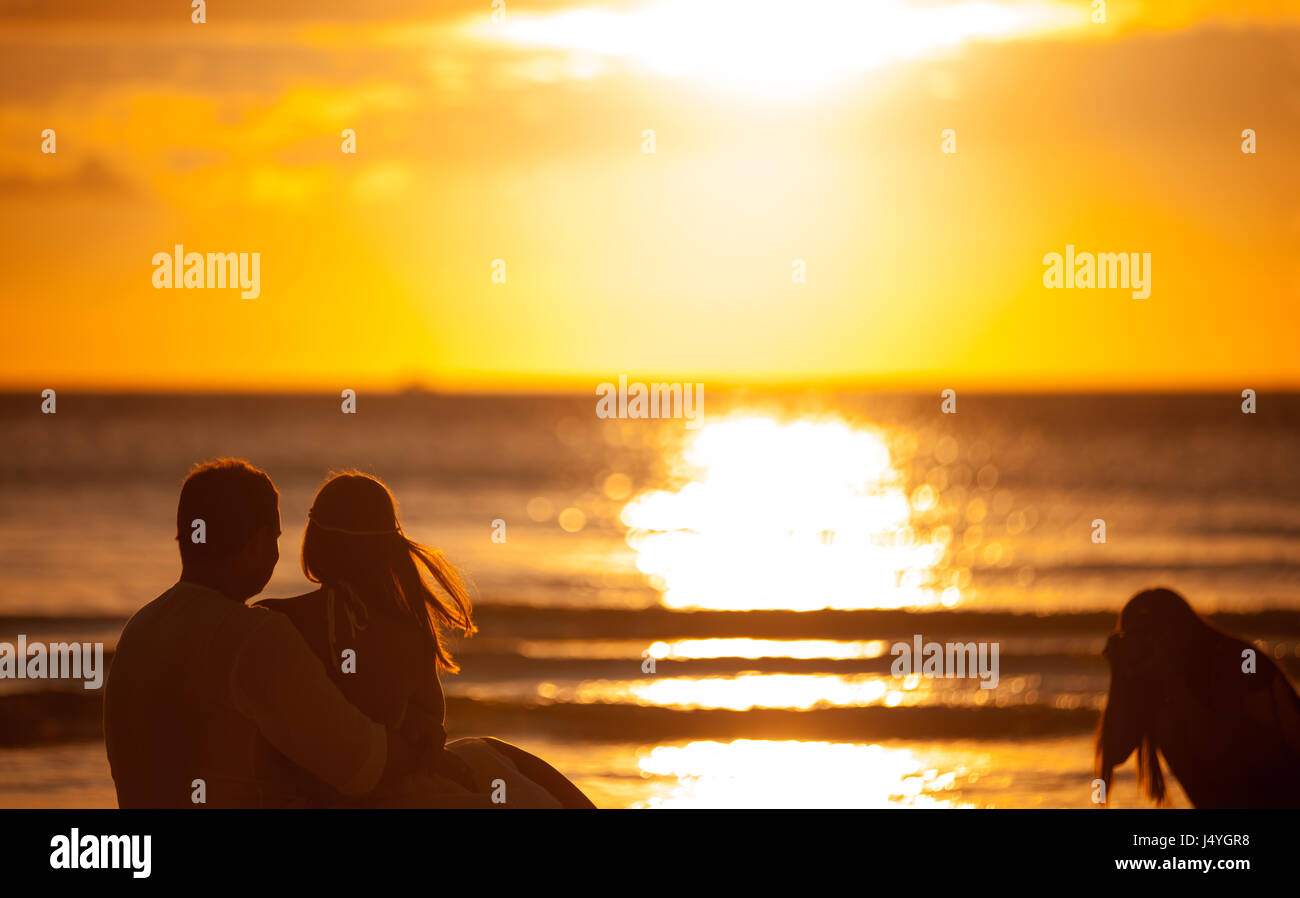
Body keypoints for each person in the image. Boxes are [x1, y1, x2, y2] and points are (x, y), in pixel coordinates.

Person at [255, 471, 597, 809]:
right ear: (390, 548)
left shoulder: (277, 618)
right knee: (505, 763)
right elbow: (432, 727)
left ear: (314, 543)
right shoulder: (405, 626)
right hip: (392, 790)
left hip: (332, 789)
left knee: (495, 755)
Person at [104, 458, 429, 808]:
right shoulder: (254, 637)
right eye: (275, 538)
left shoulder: (140, 629)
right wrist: (417, 745)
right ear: (259, 545)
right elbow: (360, 764)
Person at [1095, 587, 1300, 808]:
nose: (1148, 645)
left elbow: (1245, 757)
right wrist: (1118, 672)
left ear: (1180, 630)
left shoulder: (1239, 661)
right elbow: (1115, 753)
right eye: (1135, 638)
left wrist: (1175, 684)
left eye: (1152, 633)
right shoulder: (1150, 680)